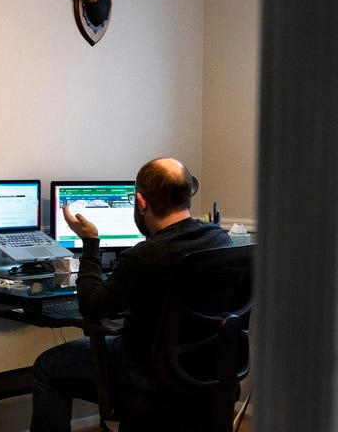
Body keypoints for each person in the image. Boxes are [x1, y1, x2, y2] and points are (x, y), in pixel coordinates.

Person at [29, 157, 232, 432]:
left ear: (141, 202)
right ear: (187, 195)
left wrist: (90, 243)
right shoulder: (220, 240)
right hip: (206, 367)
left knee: (46, 367)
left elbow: (90, 307)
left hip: (148, 370)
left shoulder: (145, 256)